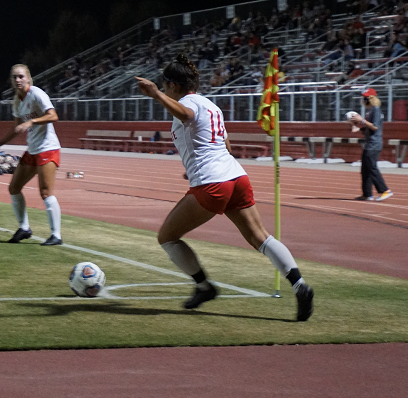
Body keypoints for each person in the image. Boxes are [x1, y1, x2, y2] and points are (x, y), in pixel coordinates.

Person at [134, 54, 314, 321]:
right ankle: (300, 285)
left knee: (167, 237)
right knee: (261, 238)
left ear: (172, 85)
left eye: (165, 84)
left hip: (212, 182)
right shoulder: (211, 105)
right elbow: (225, 146)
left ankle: (204, 286)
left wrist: (156, 95)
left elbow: (184, 114)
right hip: (236, 177)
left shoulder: (187, 103)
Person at [0, 64, 63, 246]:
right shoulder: (17, 101)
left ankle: (56, 235)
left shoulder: (36, 93)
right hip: (32, 149)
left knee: (45, 192)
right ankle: (24, 228)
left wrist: (31, 122)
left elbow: (53, 116)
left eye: (21, 76)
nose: (18, 80)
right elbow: (17, 128)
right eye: (14, 77)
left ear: (28, 78)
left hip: (48, 148)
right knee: (14, 188)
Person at [348, 89, 393, 202]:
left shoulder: (376, 110)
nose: (364, 100)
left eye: (367, 97)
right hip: (370, 143)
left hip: (374, 144)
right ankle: (367, 194)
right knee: (365, 169)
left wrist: (361, 120)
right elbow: (369, 128)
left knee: (372, 167)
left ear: (372, 98)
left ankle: (384, 190)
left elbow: (375, 127)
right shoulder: (371, 111)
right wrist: (358, 126)